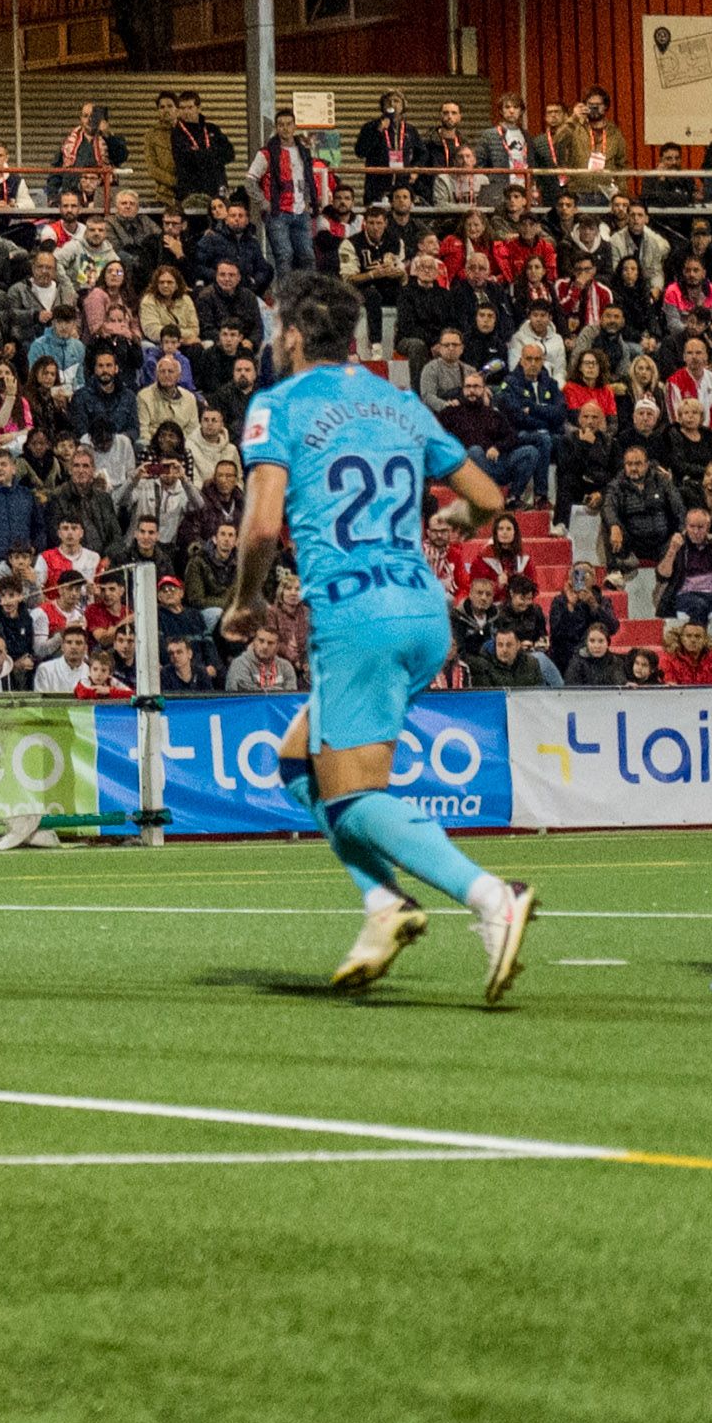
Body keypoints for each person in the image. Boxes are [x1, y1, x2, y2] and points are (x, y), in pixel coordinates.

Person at [219, 273, 535, 1002]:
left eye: (277, 329)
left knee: (354, 799)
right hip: (425, 611)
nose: (273, 340)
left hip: (356, 614)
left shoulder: (279, 405)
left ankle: (490, 896)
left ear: (295, 335)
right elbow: (487, 496)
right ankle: (382, 904)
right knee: (298, 762)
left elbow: (263, 526)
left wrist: (245, 602)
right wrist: (459, 522)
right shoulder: (398, 401)